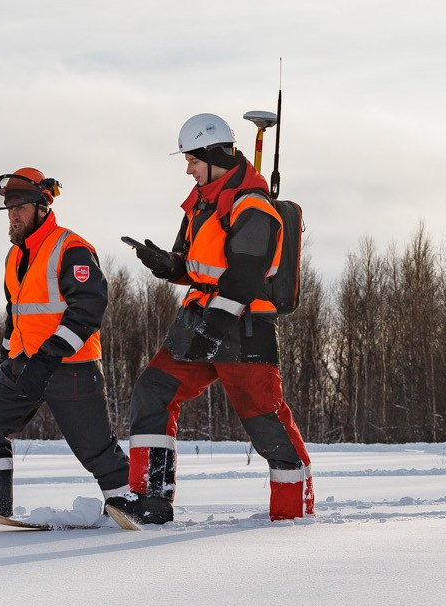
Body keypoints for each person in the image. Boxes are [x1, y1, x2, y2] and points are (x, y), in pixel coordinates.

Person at [123, 114, 312, 523]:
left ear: (213, 155)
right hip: (197, 322)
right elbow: (196, 267)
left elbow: (245, 276)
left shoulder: (253, 206)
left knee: (264, 422)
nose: (188, 169)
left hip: (243, 328)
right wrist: (166, 265)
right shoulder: (201, 204)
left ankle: (293, 514)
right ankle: (151, 499)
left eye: (192, 159)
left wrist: (215, 326)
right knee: (152, 393)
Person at [0, 167, 138, 522]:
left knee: (97, 452)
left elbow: (88, 309)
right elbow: (15, 317)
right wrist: (4, 360)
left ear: (42, 207)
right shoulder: (14, 257)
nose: (13, 214)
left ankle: (135, 510)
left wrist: (47, 358)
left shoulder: (70, 247)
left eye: (21, 207)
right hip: (23, 366)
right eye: (9, 207)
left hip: (71, 368)